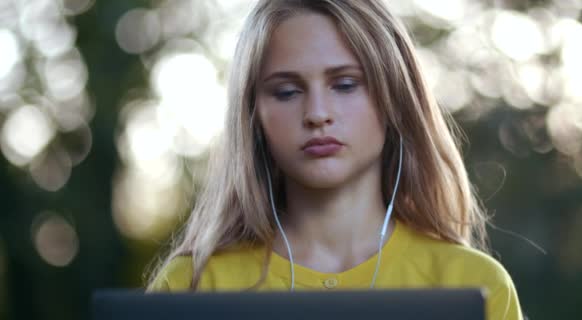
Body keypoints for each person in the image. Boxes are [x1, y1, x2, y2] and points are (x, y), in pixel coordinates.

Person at [146, 1, 523, 319]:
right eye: (287, 91)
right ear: (253, 117)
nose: (317, 113)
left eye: (344, 85)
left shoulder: (476, 287)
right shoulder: (191, 287)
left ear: (394, 98)